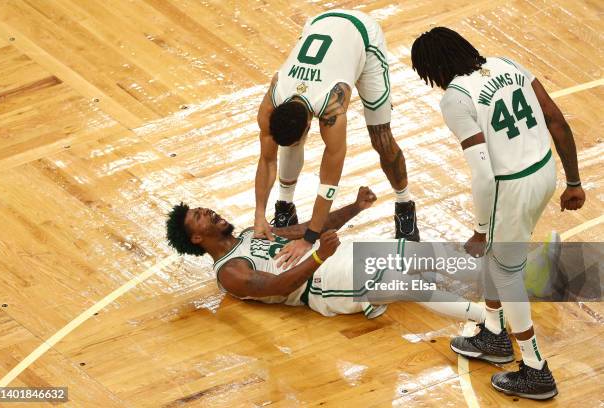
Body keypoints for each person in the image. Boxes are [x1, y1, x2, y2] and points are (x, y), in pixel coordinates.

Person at [411, 27, 586, 400]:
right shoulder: (507, 63)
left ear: (433, 70)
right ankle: (493, 333)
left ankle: (536, 369)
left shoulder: (455, 99)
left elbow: (484, 174)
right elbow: (557, 120)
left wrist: (479, 228)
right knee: (499, 259)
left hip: (511, 185)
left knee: (505, 272)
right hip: (544, 171)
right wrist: (574, 181)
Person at [166, 187, 486, 323]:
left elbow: (310, 230)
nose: (207, 211)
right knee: (399, 281)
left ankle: (502, 277)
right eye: (199, 216)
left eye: (201, 209)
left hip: (333, 256)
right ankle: (489, 320)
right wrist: (319, 258)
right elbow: (277, 287)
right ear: (196, 237)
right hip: (320, 283)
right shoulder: (228, 272)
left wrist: (355, 208)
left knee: (418, 253)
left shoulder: (253, 232)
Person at [254, 10, 419, 271]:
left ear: (312, 125)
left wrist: (309, 239)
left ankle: (405, 204)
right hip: (319, 22)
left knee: (381, 138)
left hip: (363, 37)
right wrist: (259, 214)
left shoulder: (332, 108)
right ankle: (284, 205)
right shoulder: (273, 97)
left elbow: (329, 181)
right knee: (288, 144)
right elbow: (267, 158)